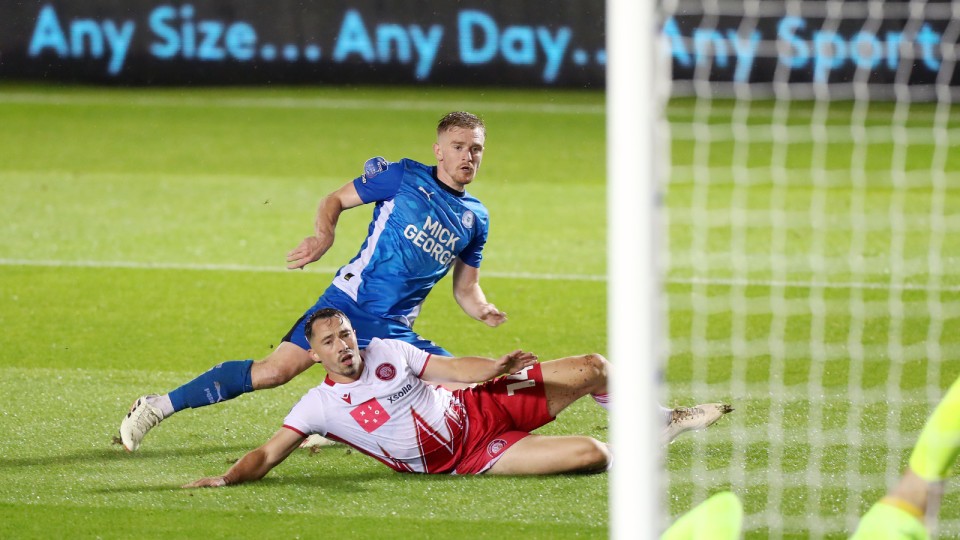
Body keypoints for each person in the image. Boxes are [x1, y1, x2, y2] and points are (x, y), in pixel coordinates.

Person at [119, 111, 507, 452]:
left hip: (394, 329)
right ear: (439, 150)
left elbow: (465, 287)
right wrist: (324, 236)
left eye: (475, 149)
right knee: (274, 372)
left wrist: (483, 308)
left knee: (460, 384)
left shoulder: (477, 218)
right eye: (457, 146)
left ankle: (344, 427)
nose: (467, 156)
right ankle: (157, 406)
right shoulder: (402, 176)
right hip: (349, 306)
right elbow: (333, 199)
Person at [182, 307, 613, 484]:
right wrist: (225, 478)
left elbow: (455, 369)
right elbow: (268, 454)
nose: (343, 346)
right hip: (475, 456)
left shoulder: (388, 349)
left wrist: (497, 368)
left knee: (593, 367)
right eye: (330, 342)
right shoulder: (318, 406)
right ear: (314, 354)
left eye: (346, 335)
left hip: (482, 403)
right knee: (594, 454)